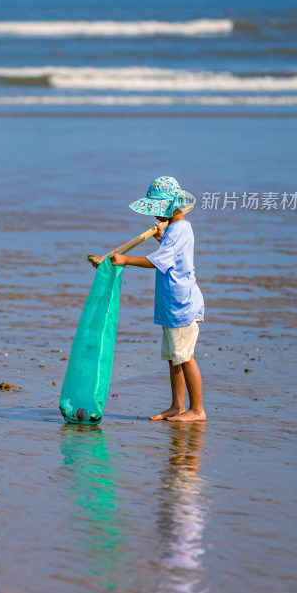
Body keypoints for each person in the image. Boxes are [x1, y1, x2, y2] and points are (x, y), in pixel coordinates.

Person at [110, 176, 206, 423]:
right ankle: (177, 405)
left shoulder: (179, 230)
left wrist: (125, 260)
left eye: (158, 207)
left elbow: (159, 261)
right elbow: (172, 254)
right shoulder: (177, 229)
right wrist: (163, 239)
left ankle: (197, 409)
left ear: (172, 206)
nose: (154, 214)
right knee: (175, 357)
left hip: (180, 304)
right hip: (172, 304)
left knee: (185, 357)